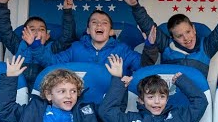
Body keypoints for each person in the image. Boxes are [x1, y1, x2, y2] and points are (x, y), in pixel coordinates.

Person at [119, 0, 218, 74]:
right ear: (172, 37)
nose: (186, 38)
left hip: (195, 100)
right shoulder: (167, 45)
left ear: (194, 29)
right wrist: (135, 6)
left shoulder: (206, 46)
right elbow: (148, 26)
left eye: (188, 32)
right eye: (179, 36)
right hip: (168, 96)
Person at [24, 6, 158, 85]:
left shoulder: (122, 50)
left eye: (104, 23)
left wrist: (150, 46)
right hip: (79, 101)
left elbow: (144, 67)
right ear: (88, 30)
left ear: (111, 31)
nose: (99, 25)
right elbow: (52, 62)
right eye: (94, 22)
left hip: (110, 103)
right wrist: (35, 45)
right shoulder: (76, 48)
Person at [0, 0, 76, 88]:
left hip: (43, 90)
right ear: (24, 34)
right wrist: (2, 6)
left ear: (47, 35)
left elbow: (68, 36)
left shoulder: (52, 47)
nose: (37, 32)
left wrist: (67, 12)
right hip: (19, 89)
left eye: (41, 29)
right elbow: (4, 30)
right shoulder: (18, 45)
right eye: (32, 29)